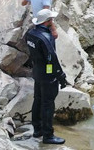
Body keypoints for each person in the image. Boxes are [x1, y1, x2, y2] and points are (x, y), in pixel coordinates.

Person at [25, 8, 67, 145]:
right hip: (48, 74)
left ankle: (37, 129)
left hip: (37, 71)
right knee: (48, 104)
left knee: (38, 99)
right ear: (48, 21)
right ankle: (48, 135)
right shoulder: (46, 38)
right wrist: (61, 76)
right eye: (51, 20)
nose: (53, 21)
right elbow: (52, 59)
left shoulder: (31, 34)